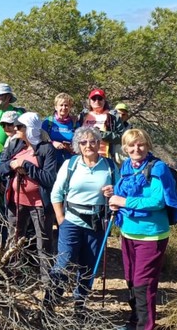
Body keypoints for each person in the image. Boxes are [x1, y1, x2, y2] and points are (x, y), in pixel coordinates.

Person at [108, 129, 177, 330]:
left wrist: (123, 201)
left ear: (148, 145)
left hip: (152, 234)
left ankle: (145, 326)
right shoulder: (126, 167)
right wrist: (114, 197)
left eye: (140, 144)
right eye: (131, 145)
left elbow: (157, 201)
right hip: (129, 232)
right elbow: (124, 193)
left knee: (143, 284)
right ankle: (135, 321)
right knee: (131, 280)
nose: (136, 149)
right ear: (125, 148)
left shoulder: (158, 168)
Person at [47, 127, 117, 311]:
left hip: (97, 223)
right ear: (78, 145)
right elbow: (56, 194)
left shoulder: (109, 166)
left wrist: (113, 192)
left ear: (99, 143)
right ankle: (49, 304)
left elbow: (120, 192)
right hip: (71, 222)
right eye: (84, 142)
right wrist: (61, 219)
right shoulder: (71, 164)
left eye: (93, 141)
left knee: (88, 267)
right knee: (64, 262)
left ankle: (80, 306)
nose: (89, 145)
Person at [0, 112, 59, 274]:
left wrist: (27, 167)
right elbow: (1, 168)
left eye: (19, 126)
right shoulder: (15, 144)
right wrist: (12, 165)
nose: (15, 129)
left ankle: (47, 285)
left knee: (43, 244)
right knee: (14, 241)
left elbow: (50, 179)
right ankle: (12, 277)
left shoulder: (47, 149)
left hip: (39, 204)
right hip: (16, 201)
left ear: (30, 128)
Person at [78, 88, 124, 159]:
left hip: (105, 157)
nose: (97, 101)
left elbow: (122, 137)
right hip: (83, 157)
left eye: (100, 98)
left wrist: (101, 134)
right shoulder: (82, 116)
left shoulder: (112, 117)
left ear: (104, 101)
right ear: (90, 101)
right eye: (94, 99)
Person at [42, 93, 78, 158]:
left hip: (70, 160)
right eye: (61, 105)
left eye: (66, 105)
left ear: (70, 107)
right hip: (51, 161)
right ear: (56, 107)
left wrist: (71, 148)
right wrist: (52, 143)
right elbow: (41, 140)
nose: (64, 108)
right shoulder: (48, 122)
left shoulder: (75, 123)